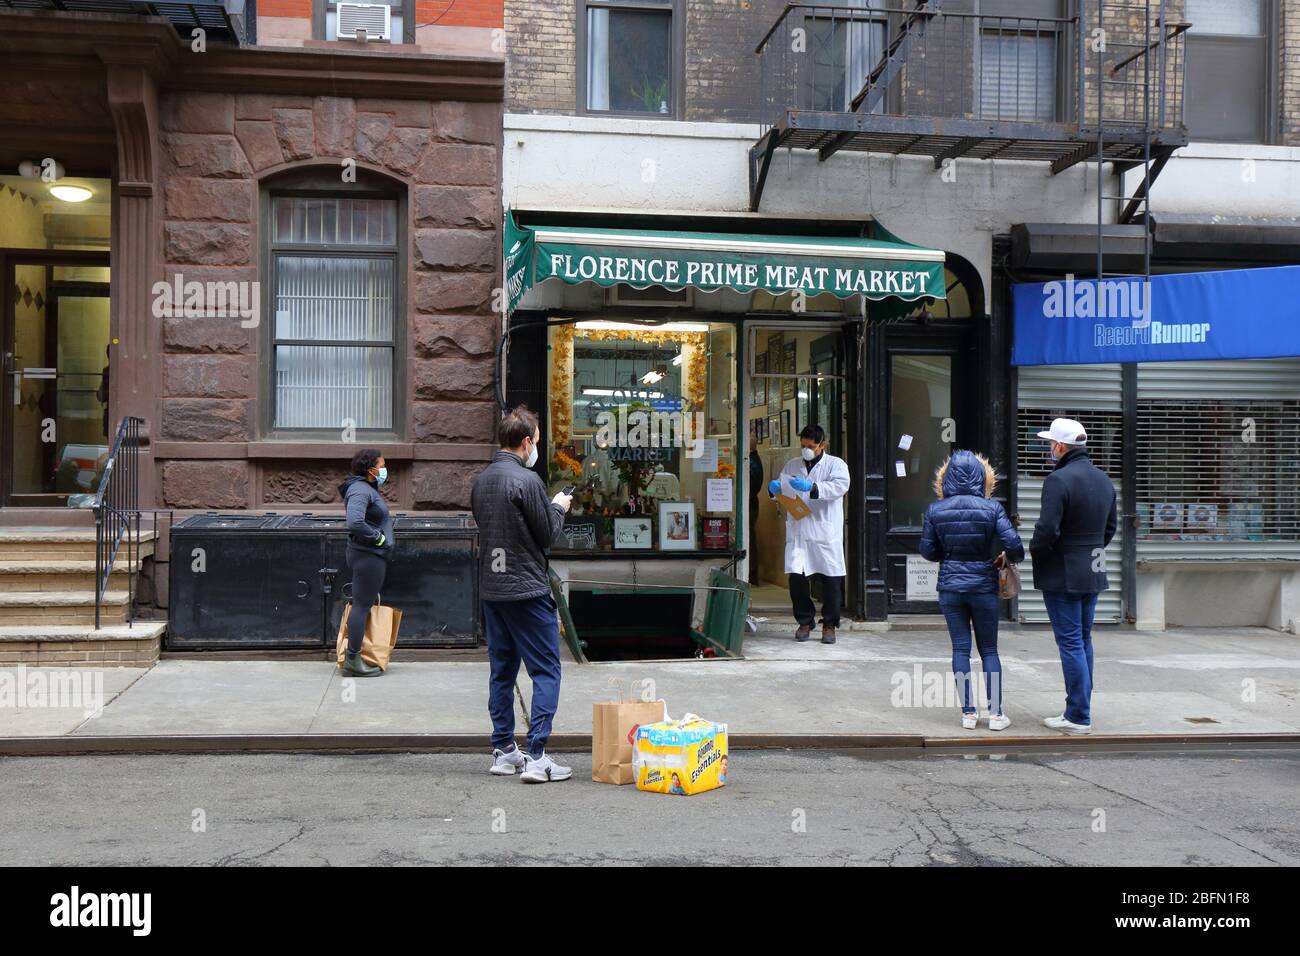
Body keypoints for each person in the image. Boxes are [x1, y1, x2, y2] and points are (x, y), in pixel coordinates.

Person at [470, 406, 574, 783]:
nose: (537, 449)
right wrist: (558, 508)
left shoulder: (482, 481)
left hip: (493, 590)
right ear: (526, 441)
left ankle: (503, 750)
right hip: (527, 589)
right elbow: (546, 534)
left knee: (502, 671)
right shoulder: (527, 481)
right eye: (538, 442)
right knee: (546, 671)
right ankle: (538, 756)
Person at [919, 450, 1024, 731]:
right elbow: (1016, 548)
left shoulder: (935, 510)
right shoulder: (992, 509)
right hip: (983, 586)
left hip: (951, 587)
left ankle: (968, 713)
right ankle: (997, 714)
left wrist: (948, 552)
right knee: (989, 649)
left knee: (960, 649)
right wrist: (999, 554)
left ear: (946, 477)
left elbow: (928, 551)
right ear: (982, 477)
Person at [1030, 417, 1118, 736]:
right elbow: (1110, 529)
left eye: (1050, 444)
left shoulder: (1058, 480)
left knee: (1070, 642)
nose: (1049, 449)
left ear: (1060, 446)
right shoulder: (1104, 479)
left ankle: (1078, 715)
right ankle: (1080, 708)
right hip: (1093, 568)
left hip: (1063, 571)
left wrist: (1037, 552)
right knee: (1083, 639)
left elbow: (1047, 530)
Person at [767, 424, 850, 643]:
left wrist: (813, 487)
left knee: (831, 581)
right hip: (799, 532)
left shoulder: (836, 465)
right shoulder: (792, 465)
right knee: (797, 579)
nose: (806, 449)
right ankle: (805, 621)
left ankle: (830, 624)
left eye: (811, 446)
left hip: (824, 531)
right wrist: (773, 490)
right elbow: (782, 491)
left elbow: (841, 487)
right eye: (803, 445)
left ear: (823, 444)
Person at [338, 448, 392, 678]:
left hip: (370, 555)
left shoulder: (366, 488)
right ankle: (353, 659)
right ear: (370, 470)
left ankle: (357, 655)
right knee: (361, 606)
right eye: (381, 466)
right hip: (368, 555)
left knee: (363, 604)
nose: (384, 470)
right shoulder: (360, 490)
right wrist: (378, 538)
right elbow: (355, 522)